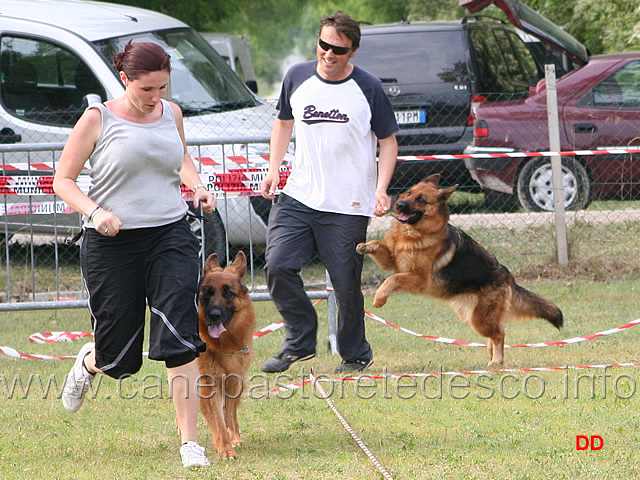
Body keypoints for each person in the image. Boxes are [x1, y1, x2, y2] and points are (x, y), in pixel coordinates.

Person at [53, 41, 217, 468]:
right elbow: (63, 181)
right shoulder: (97, 119)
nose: (155, 98)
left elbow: (179, 155)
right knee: (119, 358)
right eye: (147, 89)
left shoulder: (172, 113)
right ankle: (90, 363)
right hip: (113, 242)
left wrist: (196, 185)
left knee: (181, 338)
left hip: (171, 235)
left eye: (162, 87)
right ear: (125, 79)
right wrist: (96, 211)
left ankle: (190, 444)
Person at [259, 12, 399, 374]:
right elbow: (283, 122)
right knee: (277, 265)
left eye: (338, 49)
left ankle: (355, 354)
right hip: (299, 195)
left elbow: (388, 142)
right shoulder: (297, 77)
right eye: (324, 45)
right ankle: (300, 341)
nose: (329, 54)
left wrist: (381, 190)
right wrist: (274, 168)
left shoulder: (368, 88)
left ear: (352, 52)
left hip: (348, 204)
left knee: (346, 282)